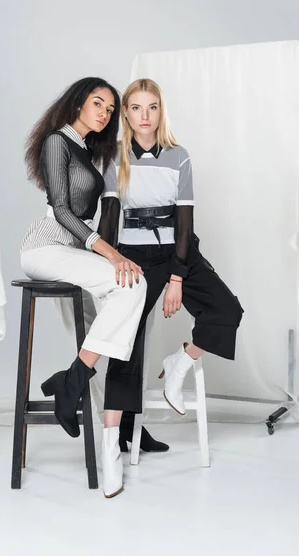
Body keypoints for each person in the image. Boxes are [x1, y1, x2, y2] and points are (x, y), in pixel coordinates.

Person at [20, 77, 147, 498]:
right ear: (79, 102)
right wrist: (109, 253)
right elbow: (60, 209)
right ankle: (72, 382)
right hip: (45, 247)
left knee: (106, 328)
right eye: (99, 103)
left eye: (111, 109)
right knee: (131, 281)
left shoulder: (89, 153)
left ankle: (94, 408)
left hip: (73, 252)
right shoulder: (59, 141)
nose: (105, 112)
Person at [97, 78, 244, 427]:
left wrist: (177, 275)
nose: (145, 115)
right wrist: (103, 265)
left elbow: (184, 223)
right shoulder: (115, 156)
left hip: (178, 250)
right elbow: (109, 218)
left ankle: (179, 362)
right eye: (136, 108)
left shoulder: (180, 156)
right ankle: (118, 435)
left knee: (226, 309)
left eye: (152, 107)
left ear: (161, 111)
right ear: (127, 115)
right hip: (135, 255)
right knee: (126, 338)